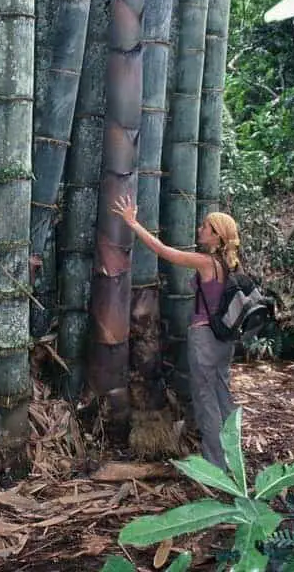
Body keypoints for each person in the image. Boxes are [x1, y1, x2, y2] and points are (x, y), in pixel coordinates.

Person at [112, 194, 240, 469]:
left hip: (205, 338)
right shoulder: (230, 264)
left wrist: (132, 223)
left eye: (205, 227)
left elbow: (163, 251)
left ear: (216, 236)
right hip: (225, 340)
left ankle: (216, 465)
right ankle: (234, 459)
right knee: (223, 397)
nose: (199, 230)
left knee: (206, 399)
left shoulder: (207, 262)